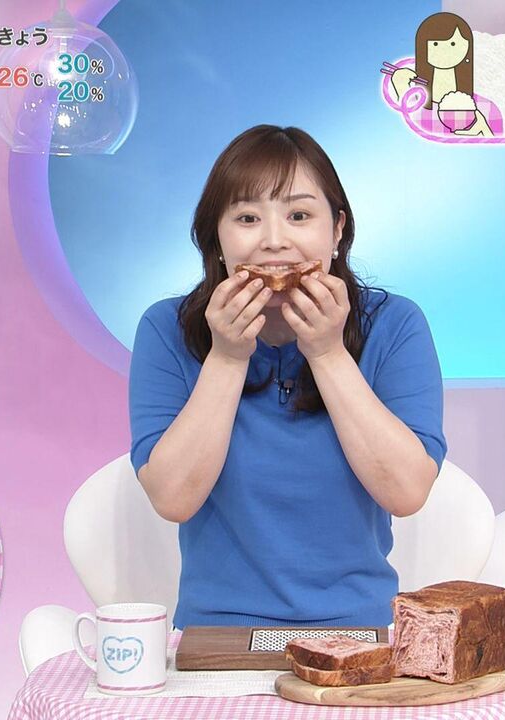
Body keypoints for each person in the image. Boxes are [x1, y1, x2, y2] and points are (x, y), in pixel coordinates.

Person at [128, 125, 447, 628]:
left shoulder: (394, 325)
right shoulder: (167, 329)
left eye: (299, 216)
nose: (275, 242)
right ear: (217, 238)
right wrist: (227, 358)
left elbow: (407, 492)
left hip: (359, 629)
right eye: (247, 218)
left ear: (336, 230)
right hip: (216, 633)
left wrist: (327, 353)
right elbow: (172, 498)